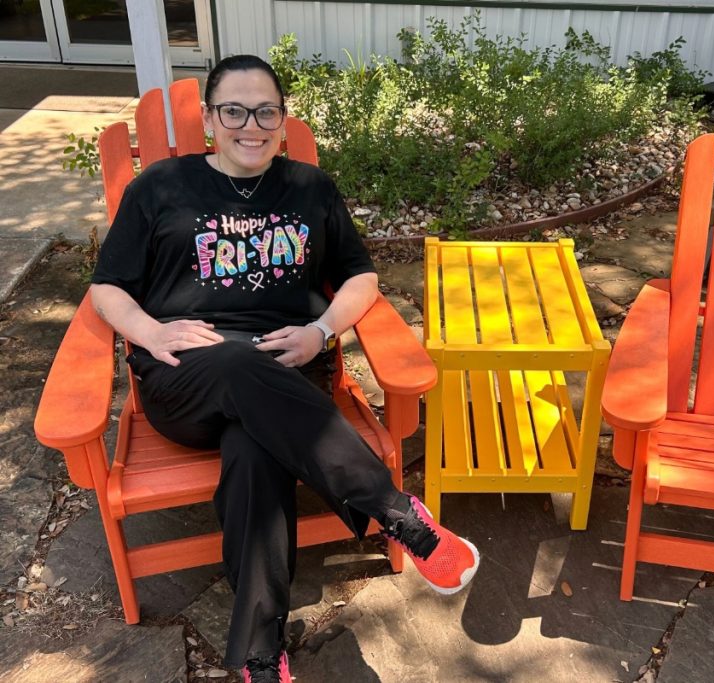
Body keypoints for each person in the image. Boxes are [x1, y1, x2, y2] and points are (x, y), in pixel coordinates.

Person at [89, 54, 479, 683]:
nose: (252, 124)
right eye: (234, 110)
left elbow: (361, 275)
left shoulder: (310, 188)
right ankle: (396, 513)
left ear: (283, 117)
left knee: (254, 452)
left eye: (266, 110)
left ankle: (259, 658)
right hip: (187, 379)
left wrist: (322, 331)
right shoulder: (158, 187)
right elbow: (107, 287)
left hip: (290, 376)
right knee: (240, 365)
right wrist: (151, 330)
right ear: (213, 118)